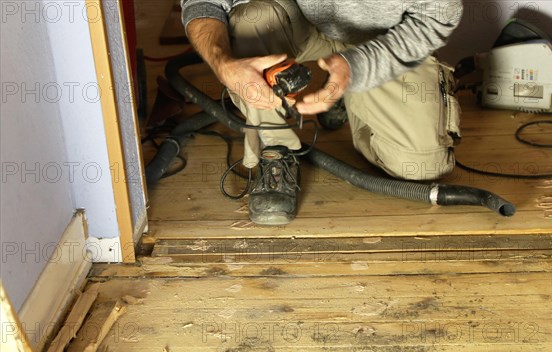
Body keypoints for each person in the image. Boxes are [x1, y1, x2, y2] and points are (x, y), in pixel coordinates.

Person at [181, 0, 464, 225]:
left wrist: (358, 67)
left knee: (420, 166)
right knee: (253, 18)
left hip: (384, 43)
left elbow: (437, 16)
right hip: (304, 28)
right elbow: (204, 2)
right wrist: (222, 63)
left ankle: (347, 94)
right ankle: (275, 147)